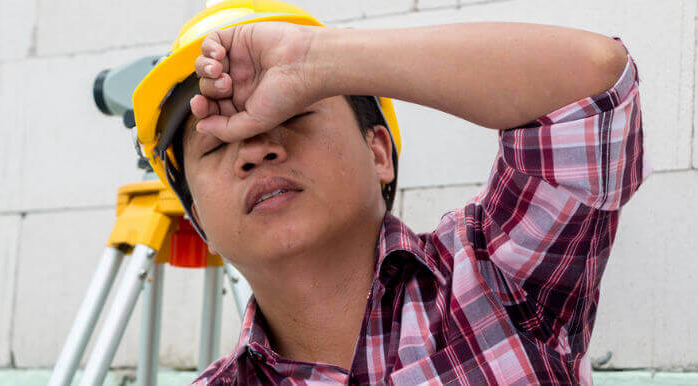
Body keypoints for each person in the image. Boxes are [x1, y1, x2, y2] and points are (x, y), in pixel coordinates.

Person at [135, 1, 649, 384]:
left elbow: (596, 89)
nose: (254, 151)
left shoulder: (495, 274)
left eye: (293, 114)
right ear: (199, 221)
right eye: (217, 144)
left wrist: (313, 58)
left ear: (379, 152)